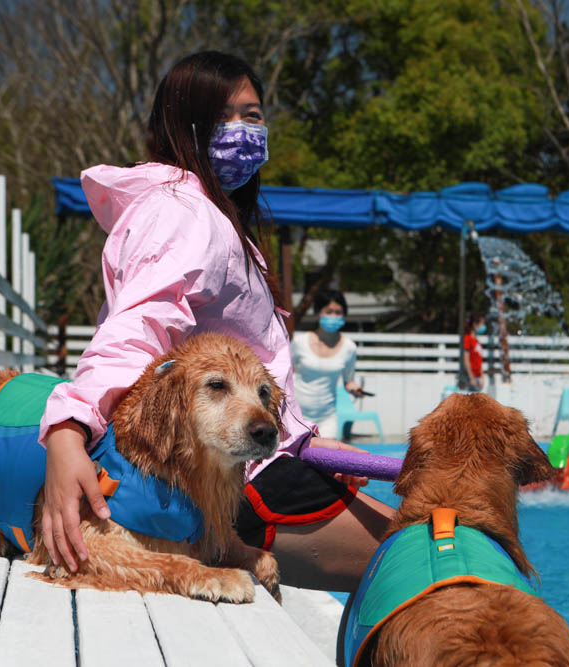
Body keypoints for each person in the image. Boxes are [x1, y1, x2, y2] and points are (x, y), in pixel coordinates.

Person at [38, 51, 391, 591]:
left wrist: (307, 442)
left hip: (250, 462)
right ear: (183, 123)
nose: (246, 130)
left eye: (254, 115)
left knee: (436, 544)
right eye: (225, 116)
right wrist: (67, 432)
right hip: (226, 482)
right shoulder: (181, 210)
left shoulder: (212, 213)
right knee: (446, 562)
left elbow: (254, 376)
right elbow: (136, 330)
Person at [291, 288, 367, 438]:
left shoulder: (349, 348)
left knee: (325, 459)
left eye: (338, 312)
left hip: (327, 419)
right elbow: (284, 373)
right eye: (329, 311)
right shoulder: (300, 342)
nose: (333, 316)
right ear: (318, 312)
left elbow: (348, 381)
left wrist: (355, 389)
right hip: (296, 416)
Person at [461, 312, 486, 391]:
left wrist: (482, 376)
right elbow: (466, 359)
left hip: (477, 378)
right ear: (475, 324)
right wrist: (471, 377)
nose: (483, 326)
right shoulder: (467, 339)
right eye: (482, 323)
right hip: (471, 378)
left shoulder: (476, 340)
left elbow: (479, 360)